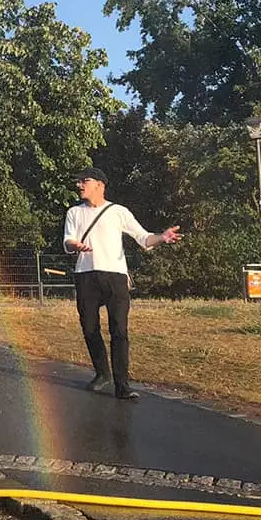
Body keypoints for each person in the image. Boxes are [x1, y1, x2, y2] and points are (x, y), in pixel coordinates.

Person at [63, 168, 182, 400]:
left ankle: (122, 385)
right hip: (86, 275)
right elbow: (67, 241)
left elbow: (143, 238)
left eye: (84, 181)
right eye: (78, 181)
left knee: (119, 330)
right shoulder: (74, 212)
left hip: (115, 277)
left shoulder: (118, 212)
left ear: (100, 185)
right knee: (89, 327)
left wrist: (162, 237)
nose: (79, 185)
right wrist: (75, 245)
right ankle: (102, 373)